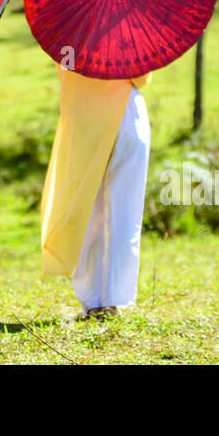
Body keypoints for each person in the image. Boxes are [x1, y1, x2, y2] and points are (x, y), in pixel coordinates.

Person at [40, 68, 154, 318]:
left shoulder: (64, 31)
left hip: (82, 116)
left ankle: (92, 299)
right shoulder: (126, 29)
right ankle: (118, 299)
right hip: (125, 115)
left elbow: (65, 71)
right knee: (125, 211)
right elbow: (142, 78)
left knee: (87, 211)